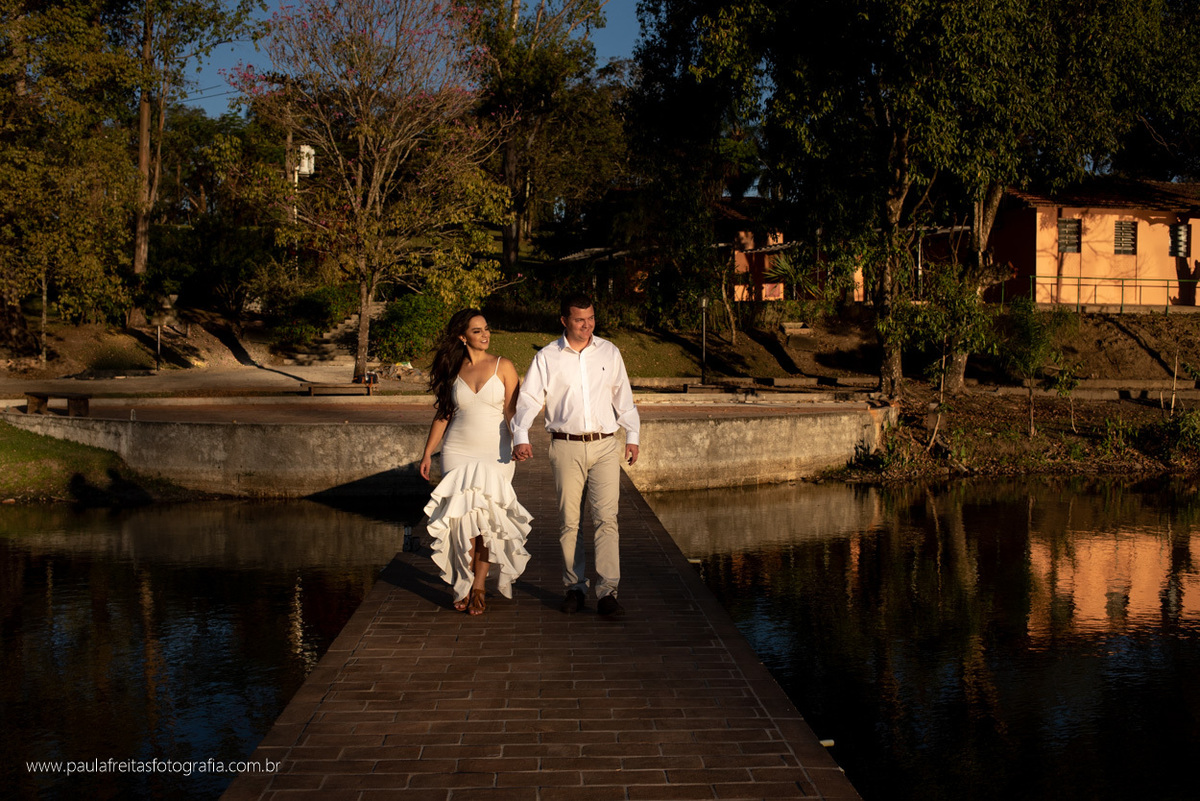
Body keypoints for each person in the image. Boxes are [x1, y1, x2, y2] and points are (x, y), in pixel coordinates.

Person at [512, 293, 640, 619]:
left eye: (591, 318)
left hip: (605, 445)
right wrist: (520, 435)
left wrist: (633, 435)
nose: (587, 325)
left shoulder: (609, 352)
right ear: (564, 321)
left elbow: (623, 397)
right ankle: (574, 588)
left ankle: (608, 593)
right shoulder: (547, 357)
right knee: (570, 523)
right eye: (580, 320)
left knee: (606, 520)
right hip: (565, 446)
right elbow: (528, 398)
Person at [420, 309, 531, 615]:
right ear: (462, 336)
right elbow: (444, 414)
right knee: (462, 523)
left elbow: (512, 412)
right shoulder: (452, 369)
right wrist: (429, 452)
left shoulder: (504, 366)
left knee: (487, 523)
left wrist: (520, 440)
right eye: (477, 331)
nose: (485, 335)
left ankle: (479, 586)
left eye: (486, 329)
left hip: (495, 451)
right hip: (458, 450)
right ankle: (465, 583)